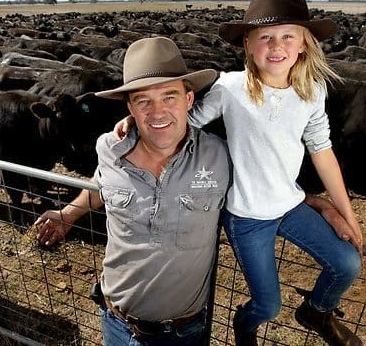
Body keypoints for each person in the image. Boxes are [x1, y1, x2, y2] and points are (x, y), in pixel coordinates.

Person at [114, 0, 364, 346]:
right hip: (246, 216)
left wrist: (347, 213)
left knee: (347, 263)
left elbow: (321, 150)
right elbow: (188, 121)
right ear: (248, 44)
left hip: (290, 205)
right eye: (265, 37)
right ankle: (244, 327)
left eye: (287, 36)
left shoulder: (313, 90)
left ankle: (316, 310)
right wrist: (140, 121)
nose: (276, 46)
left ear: (304, 43)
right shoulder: (230, 88)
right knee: (268, 305)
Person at [35, 36, 232, 346]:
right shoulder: (109, 148)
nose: (158, 112)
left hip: (181, 332)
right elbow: (102, 186)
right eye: (143, 101)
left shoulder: (221, 156)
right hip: (115, 322)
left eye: (169, 97)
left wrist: (319, 203)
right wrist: (69, 213)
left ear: (190, 99)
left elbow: (265, 192)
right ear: (129, 106)